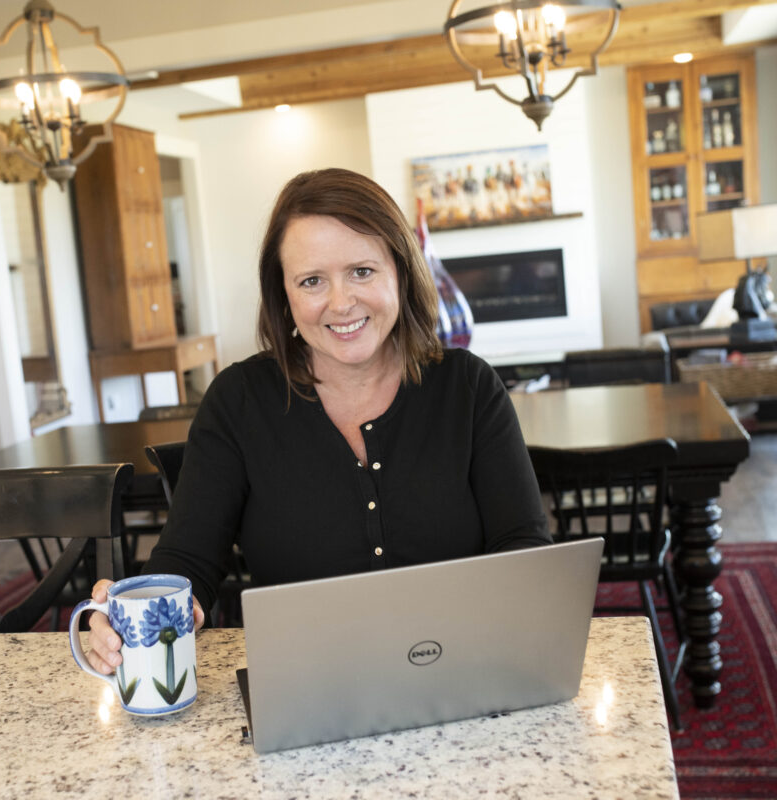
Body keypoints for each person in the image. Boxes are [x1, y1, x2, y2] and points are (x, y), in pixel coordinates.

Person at [84, 168, 549, 675]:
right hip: (309, 685)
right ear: (284, 295)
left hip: (464, 671)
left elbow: (523, 548)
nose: (341, 302)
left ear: (400, 270)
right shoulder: (239, 402)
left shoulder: (469, 387)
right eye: (311, 281)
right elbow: (188, 562)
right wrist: (135, 607)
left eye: (362, 271)